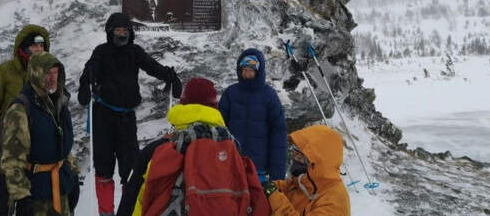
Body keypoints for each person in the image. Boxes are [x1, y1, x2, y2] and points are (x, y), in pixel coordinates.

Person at [77, 12, 182, 216]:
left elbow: (152, 66)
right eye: (118, 30)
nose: (122, 34)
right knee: (104, 170)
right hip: (103, 117)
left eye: (125, 30)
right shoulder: (101, 52)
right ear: (110, 32)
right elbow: (90, 70)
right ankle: (106, 213)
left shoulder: (134, 52)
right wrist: (84, 84)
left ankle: (129, 211)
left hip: (127, 118)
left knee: (131, 171)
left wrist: (170, 76)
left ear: (130, 33)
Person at [118, 77, 268, 216]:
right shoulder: (234, 149)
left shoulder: (158, 149)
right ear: (215, 109)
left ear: (183, 105)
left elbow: (130, 203)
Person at [0, 24, 50, 216]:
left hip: (37, 144)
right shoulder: (4, 71)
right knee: (3, 196)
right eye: (34, 45)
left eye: (41, 46)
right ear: (23, 48)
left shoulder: (48, 73)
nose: (38, 49)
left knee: (30, 200)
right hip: (7, 141)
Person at [1, 52, 78, 215]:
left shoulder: (60, 103)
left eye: (55, 72)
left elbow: (62, 147)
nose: (52, 78)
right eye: (47, 73)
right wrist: (22, 197)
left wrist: (73, 173)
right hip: (36, 197)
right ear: (36, 74)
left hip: (61, 189)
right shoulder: (21, 110)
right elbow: (12, 159)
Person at [219, 47, 287, 182]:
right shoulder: (231, 93)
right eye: (244, 70)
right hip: (232, 163)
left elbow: (278, 134)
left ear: (258, 71)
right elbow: (220, 127)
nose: (247, 74)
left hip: (259, 167)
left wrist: (277, 175)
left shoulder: (269, 95)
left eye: (251, 70)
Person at [262, 124, 350, 216]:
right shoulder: (306, 182)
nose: (294, 159)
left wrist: (276, 200)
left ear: (315, 163)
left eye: (299, 156)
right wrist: (268, 186)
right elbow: (289, 187)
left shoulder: (335, 203)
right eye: (294, 153)